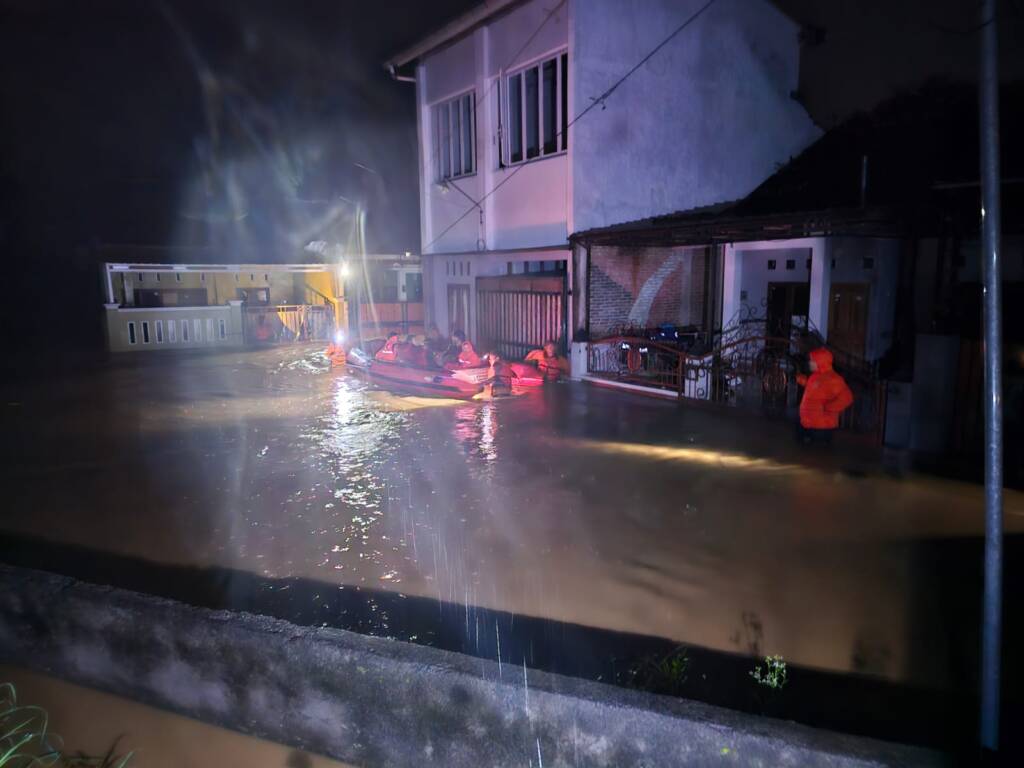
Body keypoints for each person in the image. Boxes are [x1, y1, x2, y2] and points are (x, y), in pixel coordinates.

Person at [795, 347, 854, 444]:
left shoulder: (833, 379)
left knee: (817, 456)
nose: (810, 362)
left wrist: (829, 407)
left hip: (822, 427)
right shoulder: (815, 376)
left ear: (820, 362)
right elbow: (814, 388)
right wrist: (800, 379)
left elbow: (847, 397)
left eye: (812, 360)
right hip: (807, 423)